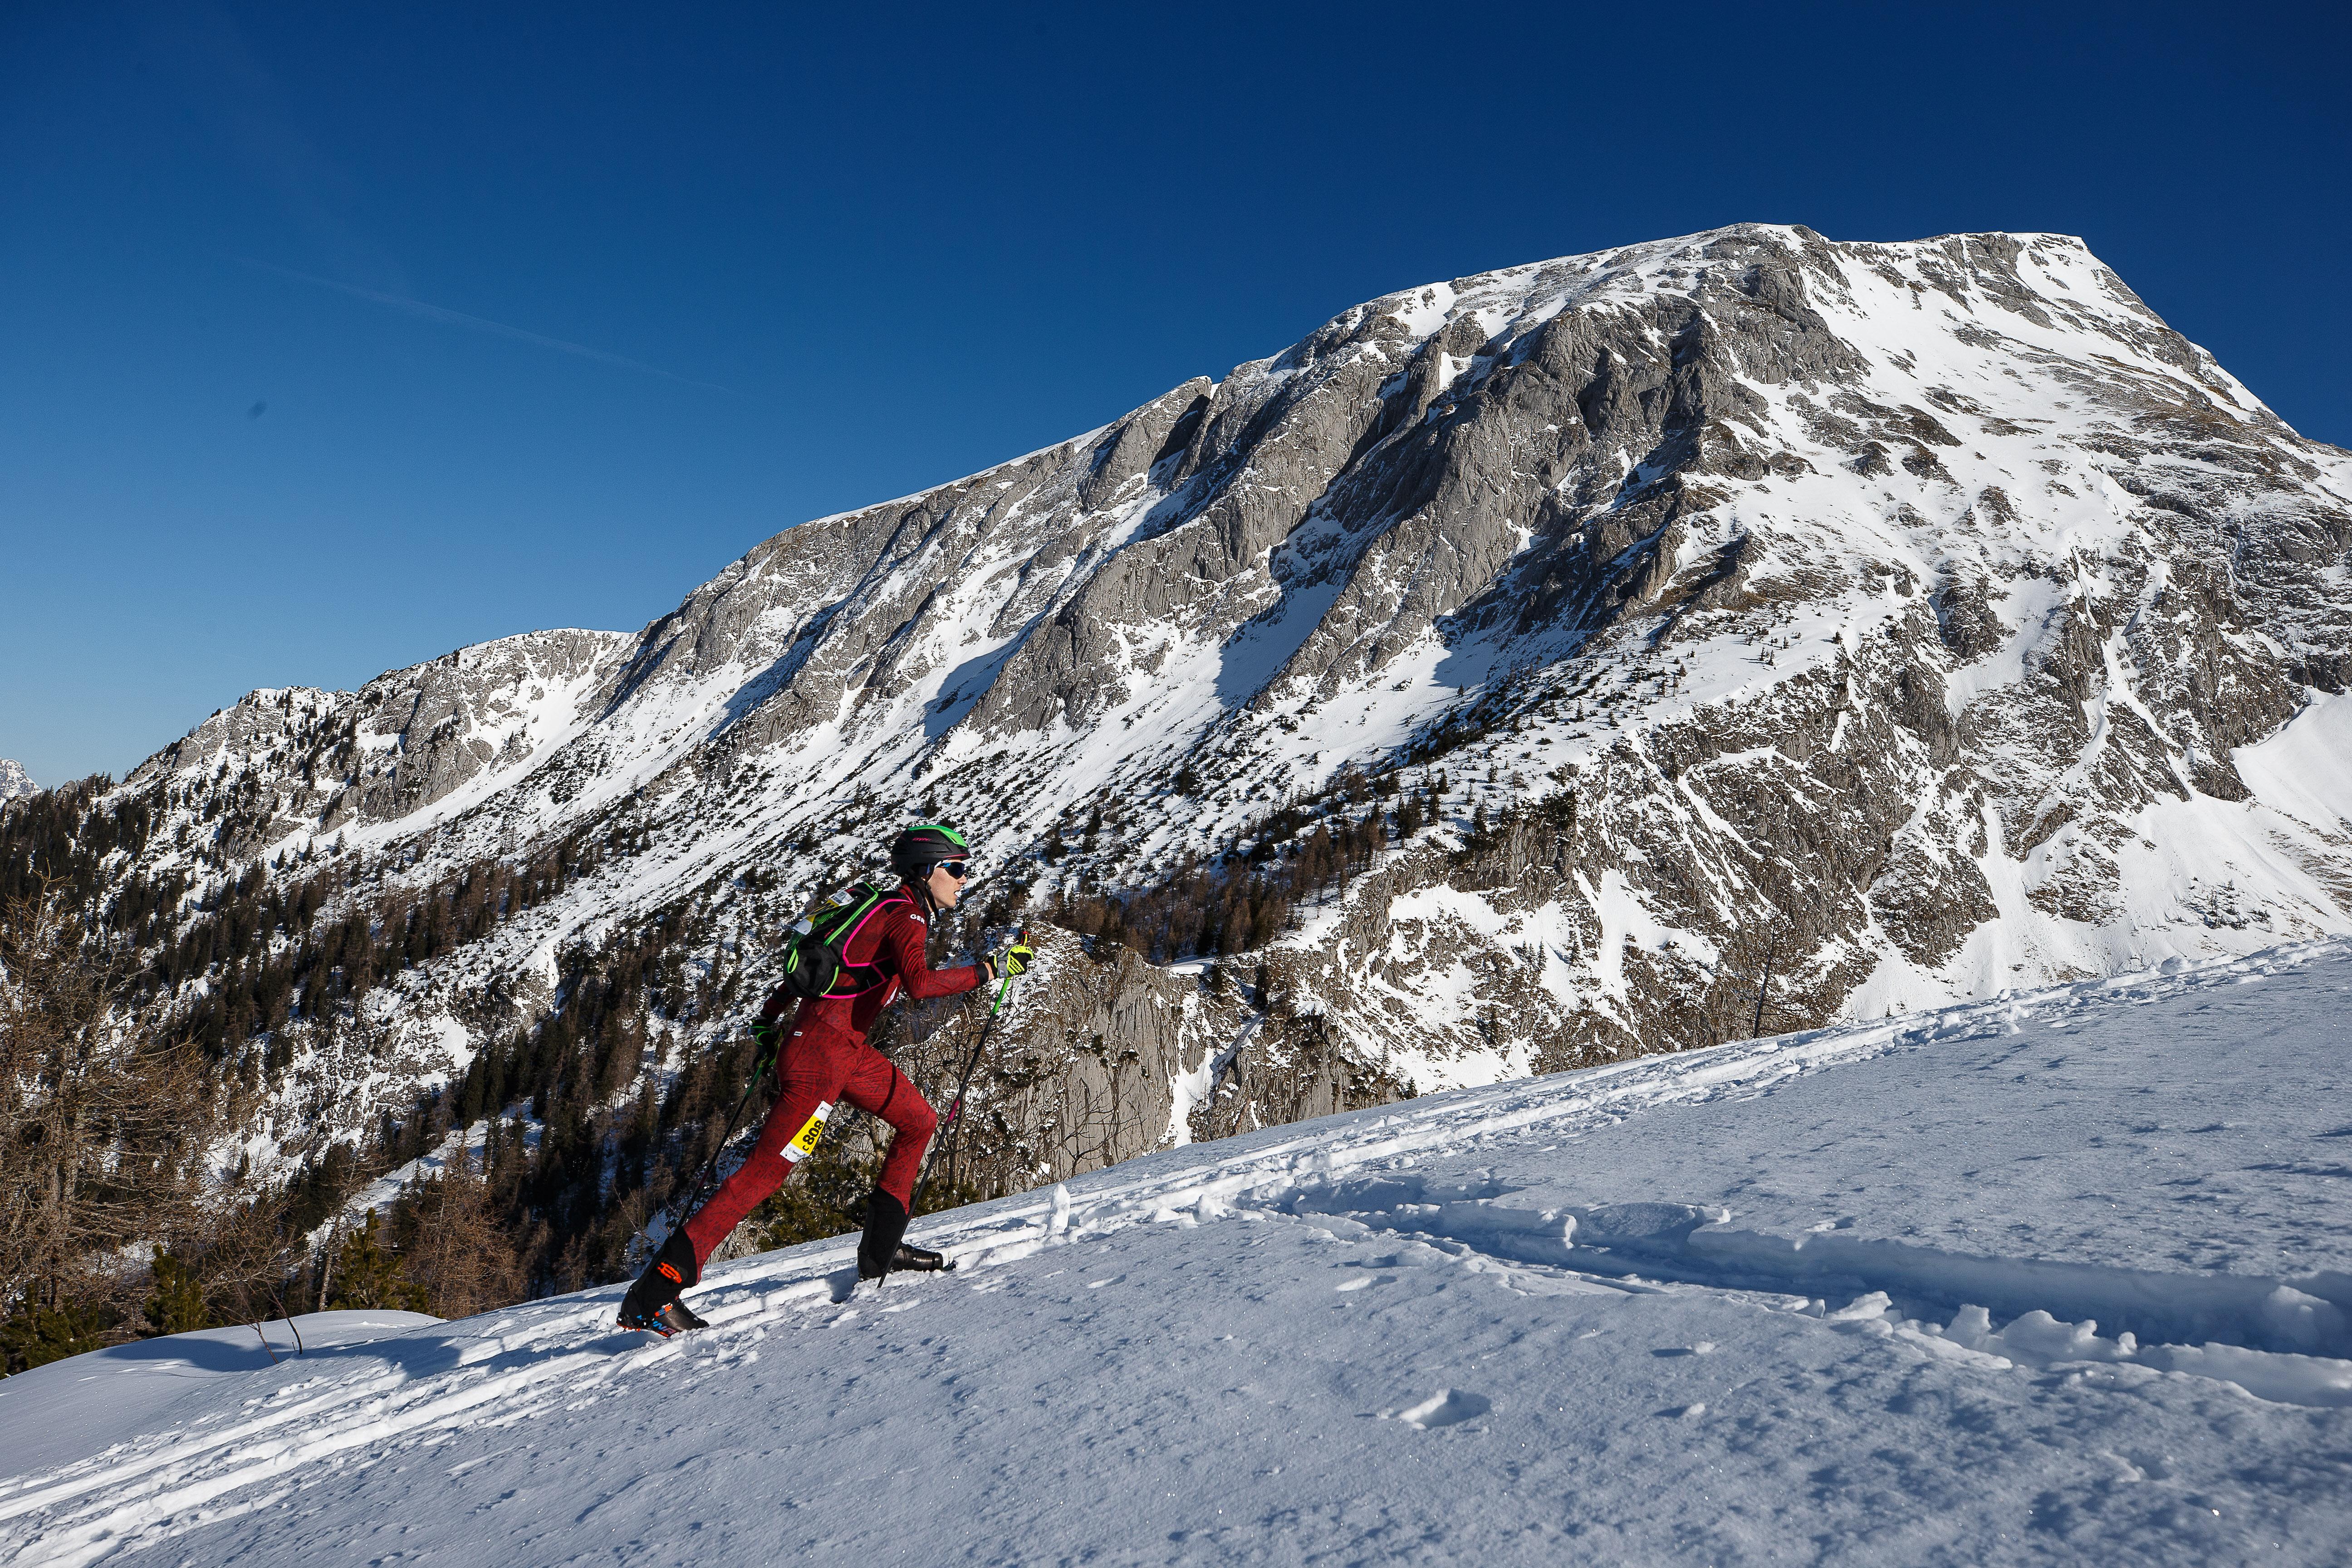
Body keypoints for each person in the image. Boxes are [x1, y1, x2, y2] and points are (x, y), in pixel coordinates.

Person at [618, 823, 1023, 1335]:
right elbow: (920, 986)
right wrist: (989, 971)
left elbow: (809, 966)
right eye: (957, 868)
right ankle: (654, 1294)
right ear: (927, 870)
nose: (964, 879)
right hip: (821, 1058)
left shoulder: (879, 905)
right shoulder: (910, 915)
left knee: (919, 1120)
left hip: (841, 1049)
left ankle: (881, 1253)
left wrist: (769, 1021)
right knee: (765, 1174)